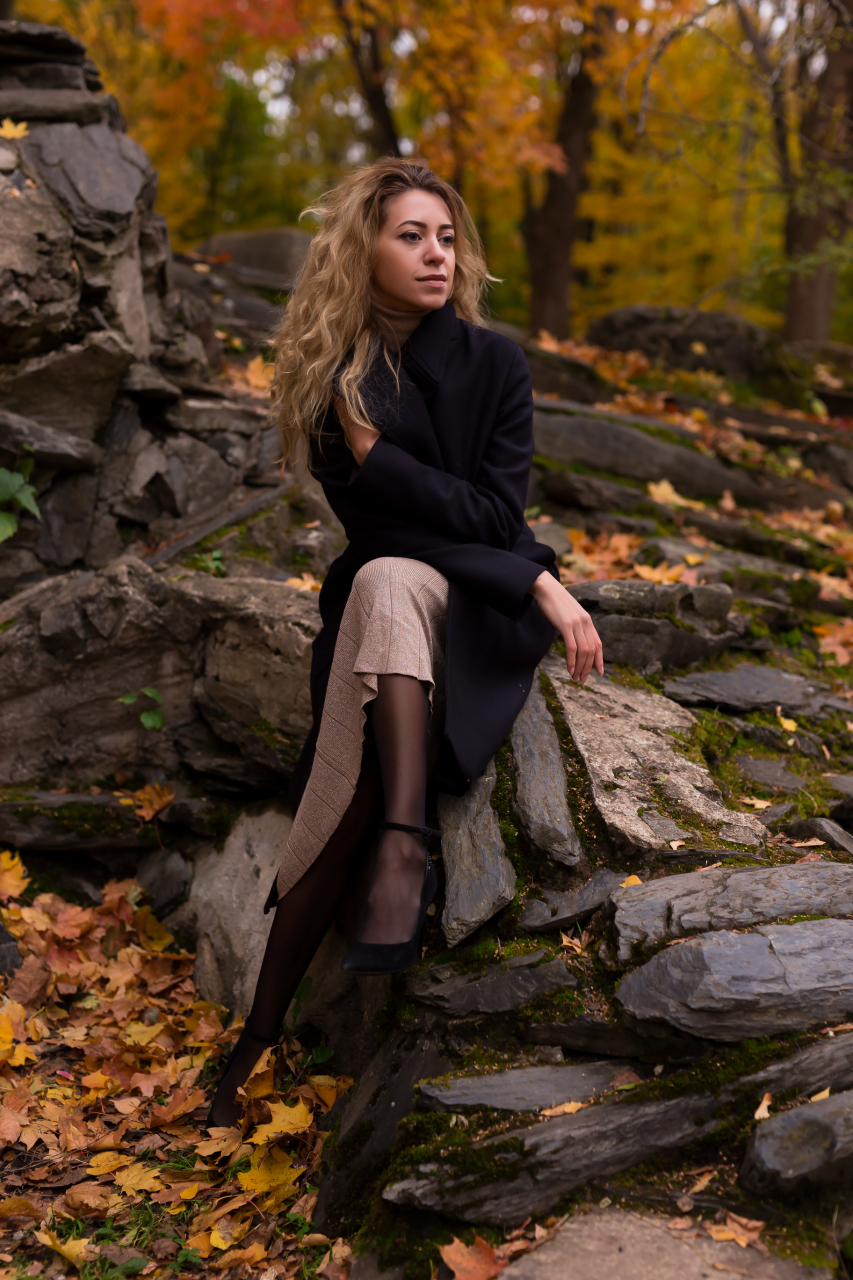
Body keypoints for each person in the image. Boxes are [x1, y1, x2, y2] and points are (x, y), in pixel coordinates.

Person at [207, 158, 603, 1128]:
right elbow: (393, 530)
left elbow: (494, 516)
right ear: (364, 251)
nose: (436, 255)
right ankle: (264, 1029)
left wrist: (520, 569)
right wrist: (530, 569)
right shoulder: (333, 375)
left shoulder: (495, 363)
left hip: (474, 605)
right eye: (410, 236)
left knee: (385, 589)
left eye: (446, 237)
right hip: (393, 598)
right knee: (344, 762)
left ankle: (396, 849)